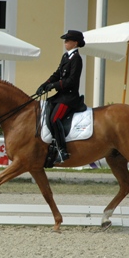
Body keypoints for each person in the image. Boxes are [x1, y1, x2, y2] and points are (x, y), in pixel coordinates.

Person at [36, 30, 85, 163]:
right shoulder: (65, 56)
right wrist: (45, 84)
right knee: (45, 112)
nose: (65, 43)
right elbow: (57, 73)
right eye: (65, 41)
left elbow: (71, 81)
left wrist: (54, 86)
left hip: (69, 97)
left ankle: (62, 150)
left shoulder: (77, 59)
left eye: (68, 41)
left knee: (54, 118)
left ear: (75, 43)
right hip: (61, 95)